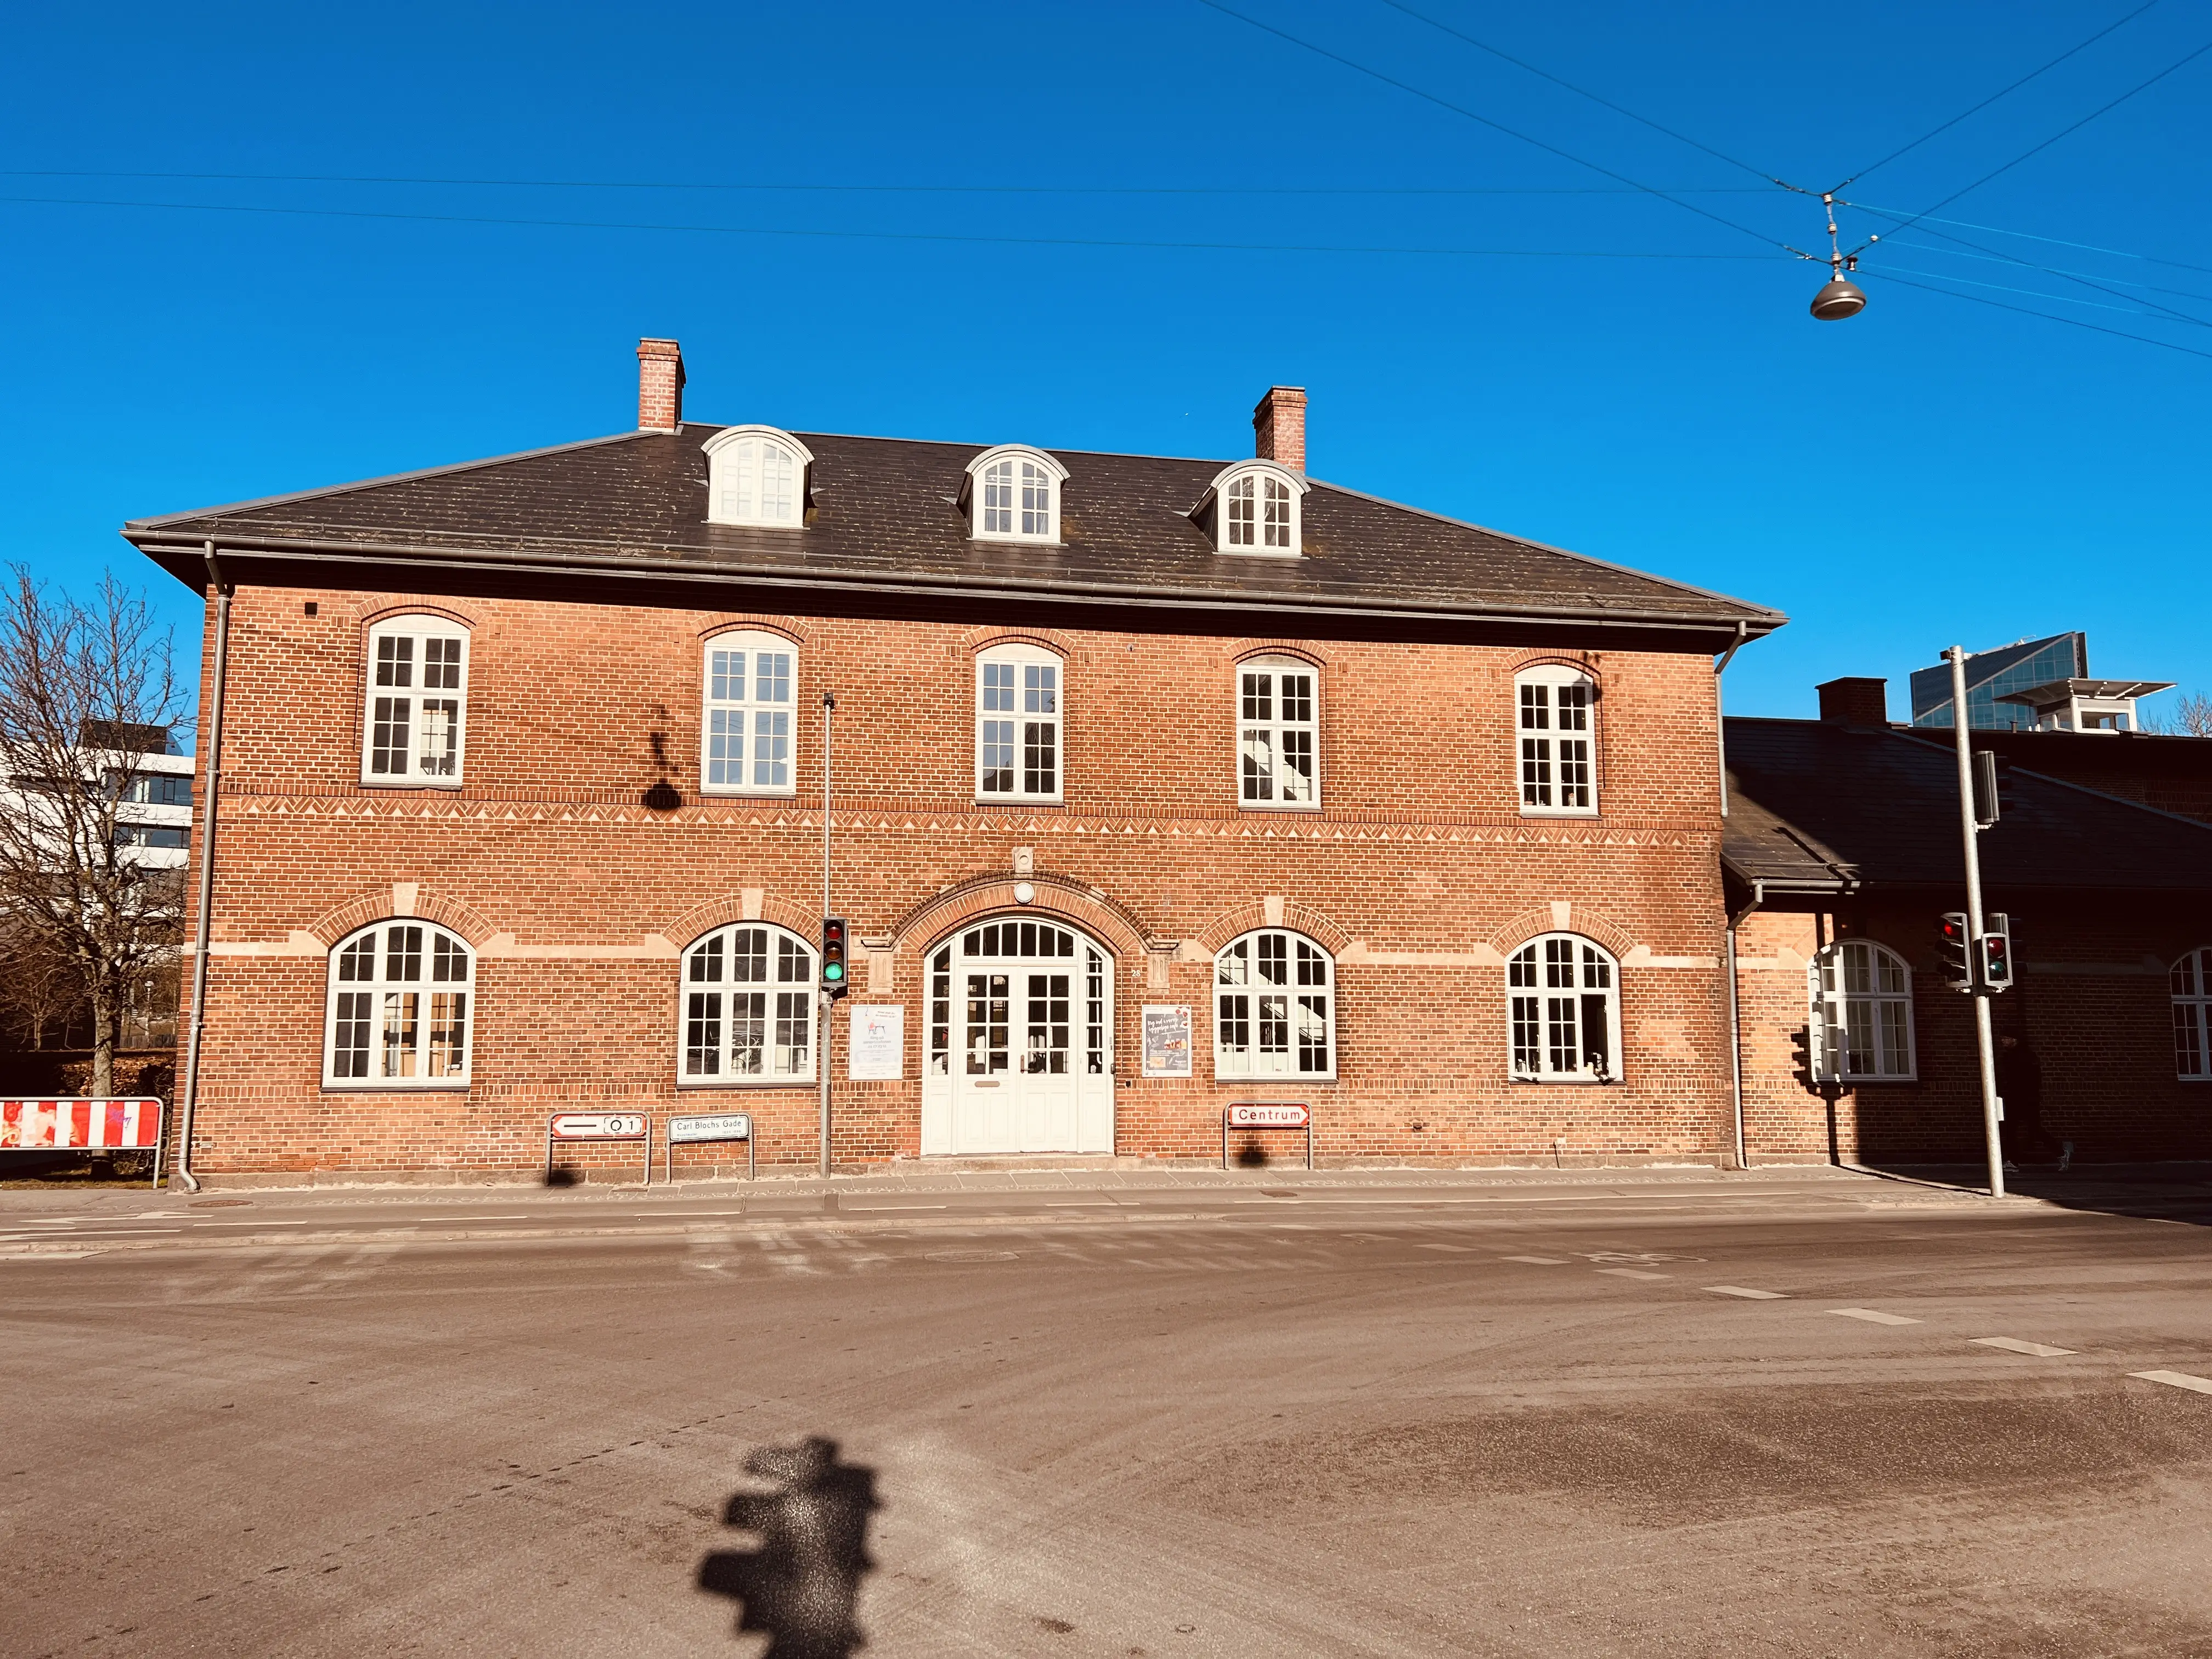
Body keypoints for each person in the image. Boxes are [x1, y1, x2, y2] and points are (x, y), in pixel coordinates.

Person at [1995, 1034, 2050, 1167]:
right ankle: (2013, 1161)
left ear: (2014, 1040)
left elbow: (2024, 1079)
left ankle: (2061, 1151)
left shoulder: (2019, 1056)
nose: (2003, 1041)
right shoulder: (2016, 1055)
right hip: (2020, 1098)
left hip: (2022, 1098)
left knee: (2031, 1129)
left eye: (2006, 1038)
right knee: (2012, 1130)